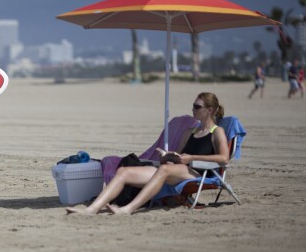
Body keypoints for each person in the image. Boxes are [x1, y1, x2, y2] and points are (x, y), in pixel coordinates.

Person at [66, 92, 229, 215]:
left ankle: (128, 209)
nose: (193, 109)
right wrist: (167, 156)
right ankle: (92, 209)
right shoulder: (190, 132)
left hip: (201, 173)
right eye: (193, 105)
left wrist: (192, 158)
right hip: (178, 170)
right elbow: (178, 156)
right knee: (124, 171)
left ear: (209, 110)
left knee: (165, 170)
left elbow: (224, 159)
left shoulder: (217, 132)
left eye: (197, 106)